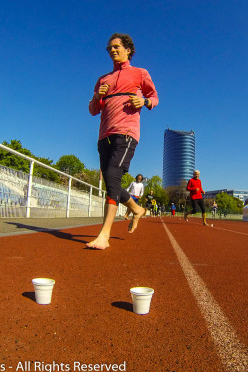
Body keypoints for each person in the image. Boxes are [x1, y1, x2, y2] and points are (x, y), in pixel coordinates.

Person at [86, 33, 159, 249]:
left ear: (128, 50)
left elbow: (154, 97)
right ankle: (136, 209)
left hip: (126, 133)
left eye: (116, 47)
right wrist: (97, 96)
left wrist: (144, 100)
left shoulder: (139, 73)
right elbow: (92, 110)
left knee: (111, 176)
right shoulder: (102, 79)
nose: (112, 50)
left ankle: (104, 235)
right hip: (104, 136)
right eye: (109, 48)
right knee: (112, 183)